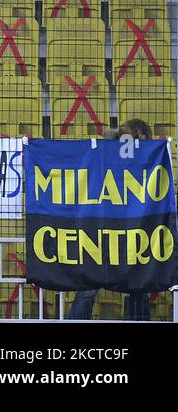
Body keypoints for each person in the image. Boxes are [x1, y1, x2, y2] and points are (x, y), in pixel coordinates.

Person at [68, 119, 154, 321]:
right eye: (137, 140)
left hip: (126, 232)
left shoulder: (146, 162)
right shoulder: (103, 154)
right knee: (91, 285)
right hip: (103, 230)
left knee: (137, 284)